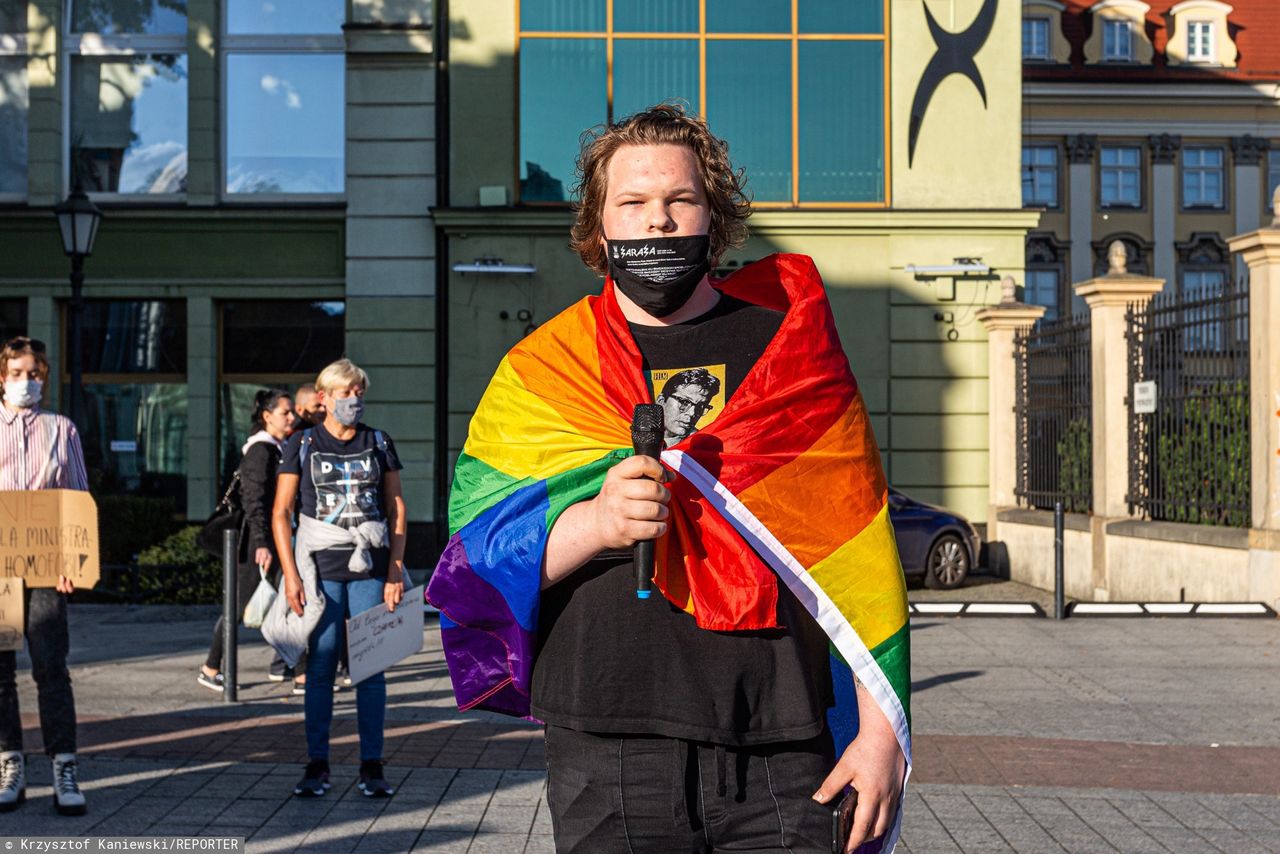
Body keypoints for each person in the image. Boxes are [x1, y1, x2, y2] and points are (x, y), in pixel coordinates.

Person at [428, 105, 911, 853]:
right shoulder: (541, 370)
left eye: (680, 201)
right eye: (633, 203)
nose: (657, 221)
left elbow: (858, 549)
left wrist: (884, 737)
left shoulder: (793, 353)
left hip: (781, 741)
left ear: (713, 219)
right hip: (606, 739)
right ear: (599, 226)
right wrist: (595, 523)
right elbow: (475, 555)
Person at [272, 359, 407, 798]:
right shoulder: (301, 443)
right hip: (318, 570)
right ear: (324, 397)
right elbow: (281, 512)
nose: (354, 400)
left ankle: (371, 765)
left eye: (359, 392)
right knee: (322, 663)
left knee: (371, 665)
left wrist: (395, 570)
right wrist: (290, 575)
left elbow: (396, 508)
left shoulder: (379, 441)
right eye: (345, 393)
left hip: (369, 567)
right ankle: (317, 764)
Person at [0, 337, 88, 816]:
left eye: (33, 373)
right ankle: (10, 762)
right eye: (16, 373)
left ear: (45, 377)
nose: (25, 382)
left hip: (46, 560)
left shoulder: (61, 429)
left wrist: (73, 559)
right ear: (1, 377)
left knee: (51, 664)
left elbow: (76, 496)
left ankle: (64, 765)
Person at [199, 389, 301, 694]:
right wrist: (260, 542)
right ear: (267, 417)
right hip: (254, 543)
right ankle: (211, 667)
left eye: (292, 411)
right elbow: (253, 501)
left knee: (289, 601)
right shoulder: (261, 451)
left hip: (271, 538)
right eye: (285, 412)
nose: (292, 417)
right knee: (238, 606)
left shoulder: (277, 448)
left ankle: (294, 669)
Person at [655, 367, 720, 447]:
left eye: (700, 407)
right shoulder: (638, 437)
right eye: (684, 402)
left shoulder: (702, 447)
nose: (692, 413)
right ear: (661, 401)